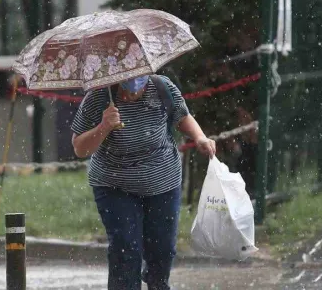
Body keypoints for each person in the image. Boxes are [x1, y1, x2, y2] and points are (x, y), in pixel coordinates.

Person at [71, 75, 216, 290]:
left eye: (140, 79)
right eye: (127, 81)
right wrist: (104, 126)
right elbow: (79, 148)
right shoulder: (99, 96)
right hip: (115, 185)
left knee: (163, 249)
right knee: (126, 248)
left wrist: (200, 137)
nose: (134, 86)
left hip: (163, 182)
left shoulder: (162, 87)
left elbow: (182, 116)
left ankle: (158, 284)